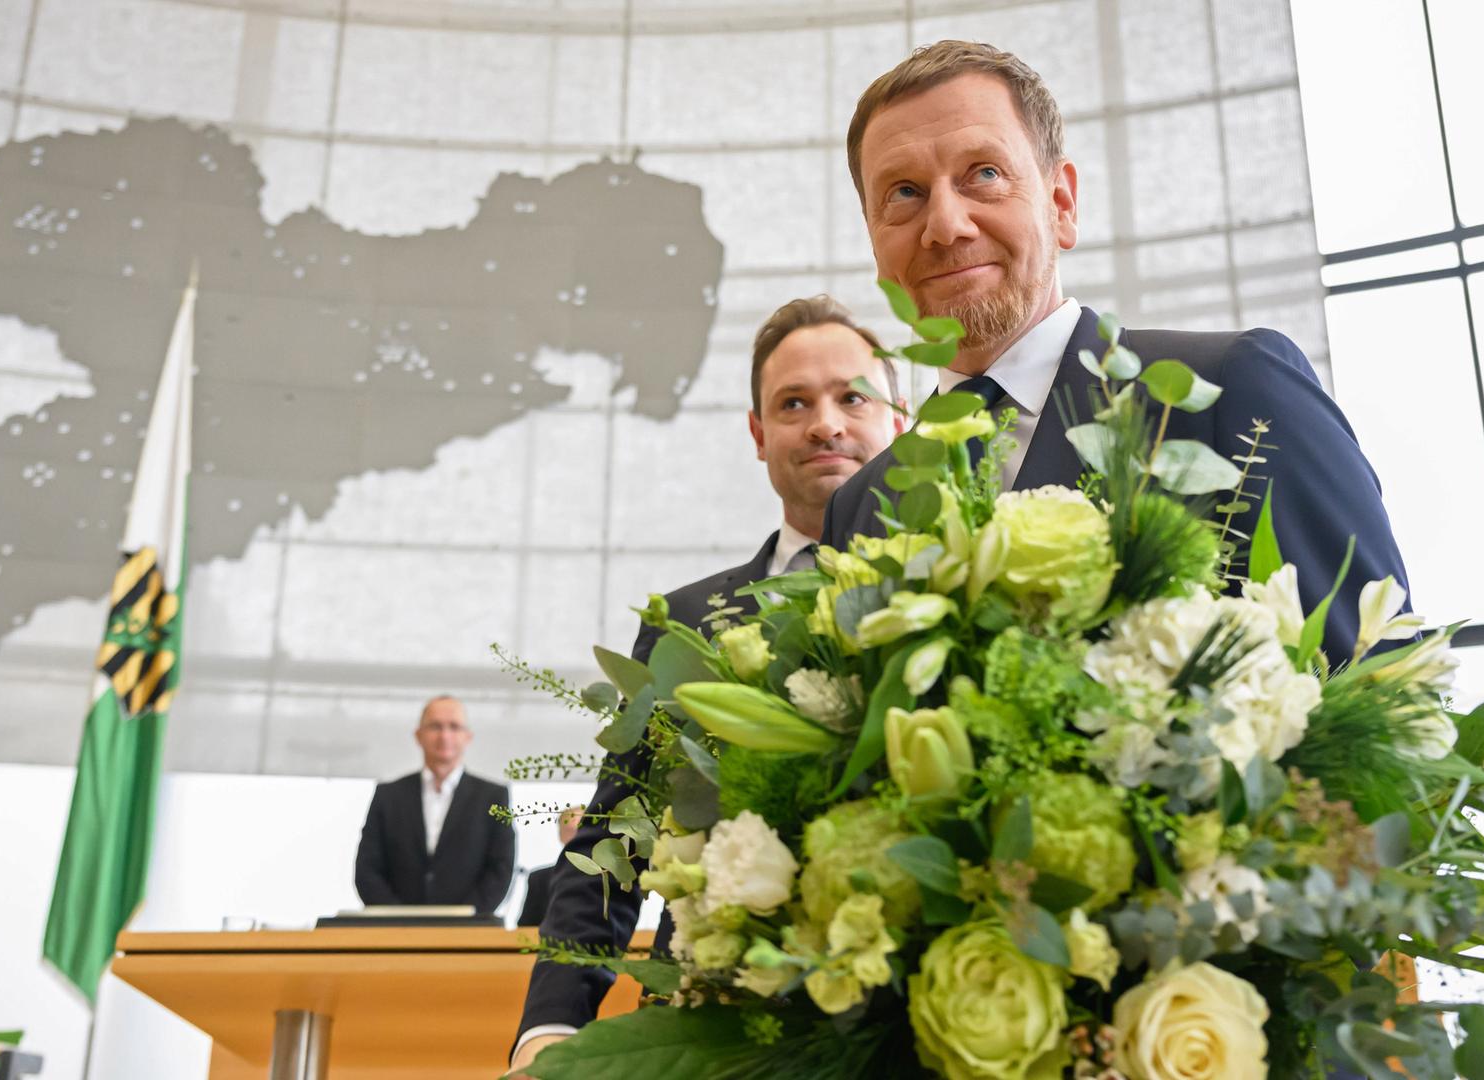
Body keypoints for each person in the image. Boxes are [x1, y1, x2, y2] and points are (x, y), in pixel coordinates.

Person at [822, 41, 1408, 656]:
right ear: (874, 244)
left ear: (1062, 204)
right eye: (904, 193)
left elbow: (1378, 693)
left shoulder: (1235, 393)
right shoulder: (860, 512)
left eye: (985, 175)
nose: (945, 225)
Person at [508, 296, 906, 1072]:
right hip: (713, 1026)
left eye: (851, 397)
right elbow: (614, 838)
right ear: (759, 435)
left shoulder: (967, 591)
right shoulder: (687, 623)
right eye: (793, 404)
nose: (825, 423)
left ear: (901, 415)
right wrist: (549, 1032)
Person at [353, 695, 516, 916]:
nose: (445, 735)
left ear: (468, 737)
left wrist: (465, 918)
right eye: (435, 726)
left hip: (468, 935)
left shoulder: (493, 796)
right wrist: (399, 920)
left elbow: (500, 868)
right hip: (396, 935)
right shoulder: (388, 795)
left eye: (454, 727)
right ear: (418, 736)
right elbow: (367, 870)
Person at [516, 806, 584, 928]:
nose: (576, 837)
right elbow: (525, 928)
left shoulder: (615, 877)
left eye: (581, 830)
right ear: (561, 835)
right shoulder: (539, 879)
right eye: (569, 831)